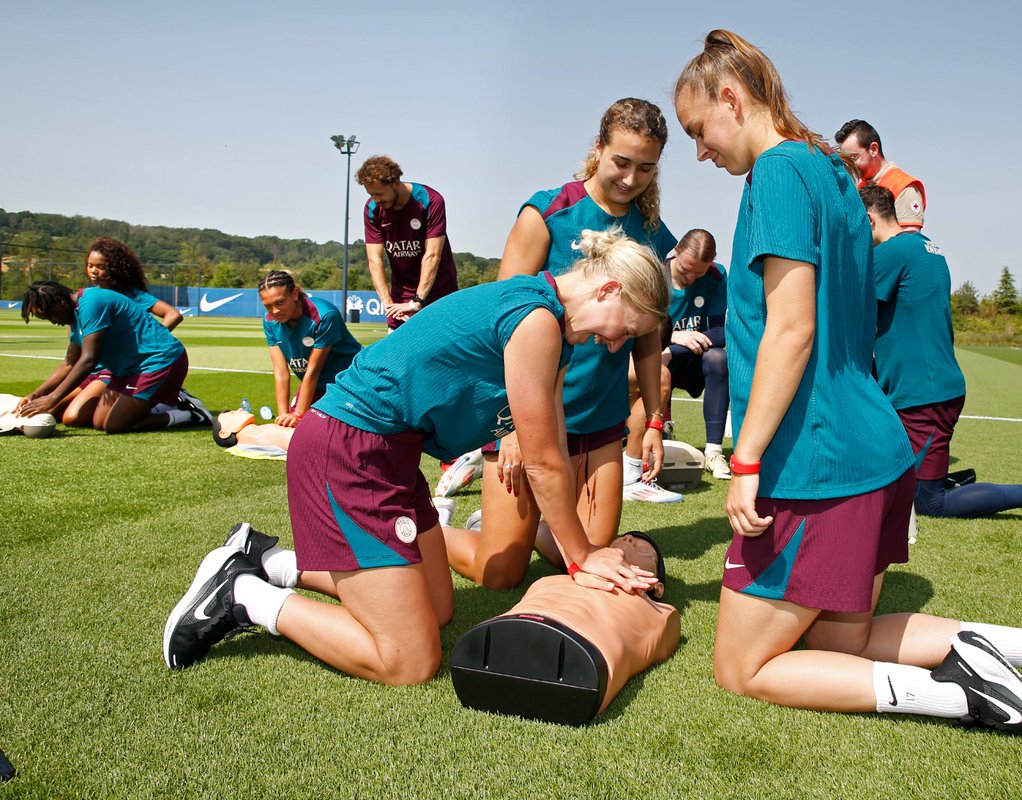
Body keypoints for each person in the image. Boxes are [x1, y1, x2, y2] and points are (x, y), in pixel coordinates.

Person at [673, 29, 1022, 746]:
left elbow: (790, 331)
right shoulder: (833, 170)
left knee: (743, 666)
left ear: (731, 98)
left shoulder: (778, 173)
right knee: (841, 643)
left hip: (816, 458)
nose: (701, 150)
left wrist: (745, 459)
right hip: (871, 443)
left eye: (699, 130)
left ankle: (964, 694)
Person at [162, 228, 668, 685]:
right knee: (408, 660)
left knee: (437, 608)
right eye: (625, 327)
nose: (614, 343)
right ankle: (243, 598)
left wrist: (582, 551)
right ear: (607, 290)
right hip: (348, 449)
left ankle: (266, 559)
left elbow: (551, 443)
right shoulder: (536, 319)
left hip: (392, 455)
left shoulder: (552, 327)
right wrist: (582, 558)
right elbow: (543, 463)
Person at [442, 97, 679, 592]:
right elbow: (498, 325)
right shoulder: (547, 211)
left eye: (646, 168)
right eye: (621, 162)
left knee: (591, 552)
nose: (631, 178)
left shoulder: (654, 234)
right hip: (530, 414)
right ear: (597, 149)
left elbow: (649, 341)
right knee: (499, 574)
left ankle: (529, 529)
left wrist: (654, 420)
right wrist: (509, 429)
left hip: (601, 419)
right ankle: (429, 529)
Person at [860, 184, 1022, 522]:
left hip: (922, 395)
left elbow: (852, 309)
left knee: (932, 503)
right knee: (892, 471)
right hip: (931, 388)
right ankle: (947, 480)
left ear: (868, 220)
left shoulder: (891, 253)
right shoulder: (927, 247)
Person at [451, 531, 679, 725]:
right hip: (518, 625)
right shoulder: (561, 578)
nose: (629, 541)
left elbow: (666, 634)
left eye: (644, 551)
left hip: (586, 652)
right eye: (624, 539)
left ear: (657, 586)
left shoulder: (656, 610)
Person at [17, 281, 207, 433]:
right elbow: (69, 363)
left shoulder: (91, 302)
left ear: (61, 302)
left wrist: (53, 398)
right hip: (127, 370)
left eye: (50, 315)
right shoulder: (75, 317)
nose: (53, 321)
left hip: (157, 361)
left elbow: (89, 360)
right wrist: (36, 394)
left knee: (115, 425)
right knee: (100, 422)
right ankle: (165, 402)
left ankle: (188, 413)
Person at [624, 228, 730, 484]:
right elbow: (636, 328)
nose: (692, 278)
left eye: (699, 272)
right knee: (655, 360)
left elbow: (720, 331)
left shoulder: (717, 275)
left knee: (718, 359)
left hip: (687, 355)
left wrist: (677, 346)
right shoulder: (654, 273)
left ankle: (714, 451)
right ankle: (652, 433)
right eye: (686, 270)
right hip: (655, 355)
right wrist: (672, 338)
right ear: (676, 252)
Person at [62, 237, 184, 427]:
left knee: (81, 418)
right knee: (69, 415)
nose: (93, 271)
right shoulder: (86, 299)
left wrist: (145, 341)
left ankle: (171, 402)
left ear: (115, 268)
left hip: (112, 370)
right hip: (92, 370)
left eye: (100, 266)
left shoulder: (130, 294)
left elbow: (173, 314)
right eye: (89, 265)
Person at [356, 155, 459, 330]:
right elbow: (374, 260)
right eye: (371, 194)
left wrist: (417, 302)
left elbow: (432, 255)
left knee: (438, 352)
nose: (375, 199)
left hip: (439, 291)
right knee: (397, 353)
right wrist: (389, 306)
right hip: (400, 296)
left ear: (396, 183)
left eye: (379, 193)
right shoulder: (372, 209)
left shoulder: (430, 200)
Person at [258, 270, 362, 428]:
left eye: (280, 302)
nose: (275, 311)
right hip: (316, 385)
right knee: (293, 427)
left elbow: (313, 370)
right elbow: (280, 371)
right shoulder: (269, 321)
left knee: (326, 430)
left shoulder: (325, 315)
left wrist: (298, 415)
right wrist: (283, 415)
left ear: (294, 294)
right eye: (268, 306)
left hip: (349, 382)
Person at [835, 119, 926, 231]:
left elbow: (909, 240)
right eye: (846, 161)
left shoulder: (903, 186)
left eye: (853, 158)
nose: (849, 166)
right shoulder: (858, 189)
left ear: (873, 149)